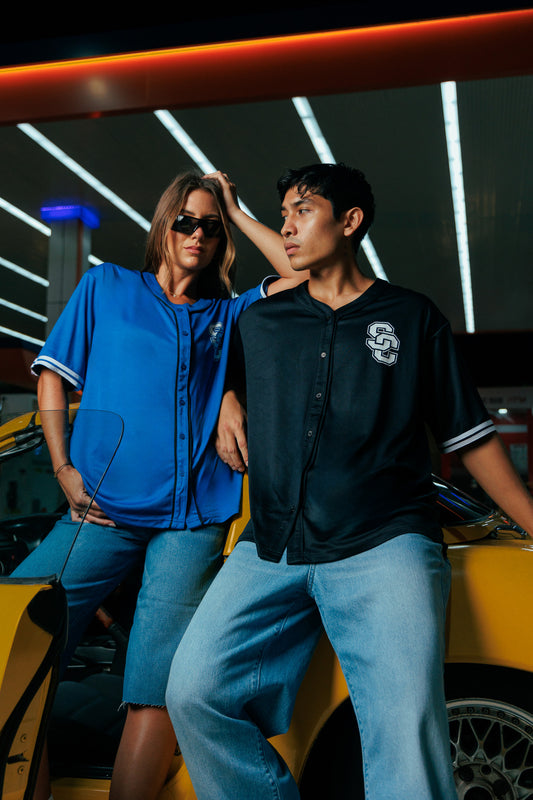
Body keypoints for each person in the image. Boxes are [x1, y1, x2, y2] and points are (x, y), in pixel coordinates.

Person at [166, 162, 533, 800]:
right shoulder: (262, 320)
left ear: (350, 221)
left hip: (385, 543)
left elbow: (469, 438)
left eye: (302, 211)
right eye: (283, 214)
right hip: (272, 545)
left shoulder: (412, 318)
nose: (287, 226)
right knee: (193, 692)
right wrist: (226, 397)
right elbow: (213, 372)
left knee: (403, 735)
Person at [11, 171, 301, 800]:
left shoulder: (227, 314)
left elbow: (303, 274)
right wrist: (62, 468)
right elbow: (53, 379)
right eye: (186, 222)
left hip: (190, 520)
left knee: (156, 687)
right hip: (100, 510)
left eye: (211, 227)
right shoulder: (107, 286)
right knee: (14, 650)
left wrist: (235, 210)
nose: (198, 235)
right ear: (164, 225)